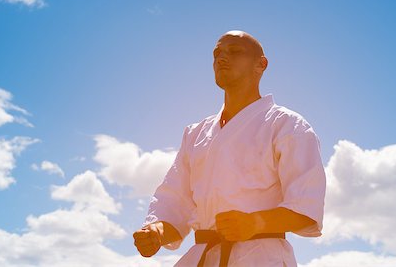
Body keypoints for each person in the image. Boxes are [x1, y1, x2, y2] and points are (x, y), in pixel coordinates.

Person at [133, 30, 326, 266]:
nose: (221, 58)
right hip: (203, 257)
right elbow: (174, 204)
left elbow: (306, 206)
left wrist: (255, 222)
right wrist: (157, 232)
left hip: (261, 257)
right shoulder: (195, 134)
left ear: (261, 65)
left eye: (234, 52)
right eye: (217, 53)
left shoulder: (287, 126)